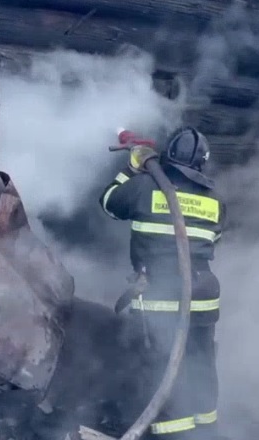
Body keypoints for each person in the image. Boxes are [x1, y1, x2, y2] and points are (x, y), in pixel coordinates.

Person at [98, 126, 226, 440]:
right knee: (200, 361)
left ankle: (169, 434)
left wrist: (130, 168)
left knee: (160, 368)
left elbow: (109, 202)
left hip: (161, 293)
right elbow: (213, 239)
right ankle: (206, 430)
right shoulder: (216, 201)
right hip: (204, 293)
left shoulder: (144, 187)